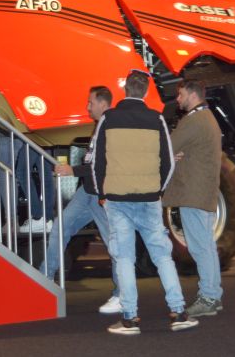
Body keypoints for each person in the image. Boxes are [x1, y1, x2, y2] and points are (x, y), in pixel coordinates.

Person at [92, 69, 198, 335]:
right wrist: (158, 190)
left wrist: (102, 193)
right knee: (162, 257)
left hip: (117, 199)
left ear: (125, 89)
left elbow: (97, 161)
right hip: (150, 199)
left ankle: (130, 318)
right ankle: (179, 312)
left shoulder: (108, 118)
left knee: (124, 258)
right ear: (146, 91)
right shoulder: (156, 119)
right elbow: (168, 161)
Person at [42, 85, 121, 314]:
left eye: (90, 102)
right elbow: (92, 160)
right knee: (60, 227)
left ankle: (122, 294)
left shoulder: (110, 126)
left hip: (101, 195)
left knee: (115, 244)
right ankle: (45, 277)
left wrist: (72, 171)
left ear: (103, 104)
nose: (87, 107)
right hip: (87, 192)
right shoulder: (100, 124)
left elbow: (102, 164)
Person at [162, 79, 224, 317]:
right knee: (206, 246)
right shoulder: (208, 119)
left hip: (193, 194)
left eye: (180, 95)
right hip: (203, 193)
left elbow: (166, 147)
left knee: (200, 248)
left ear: (192, 94)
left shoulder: (193, 121)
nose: (178, 99)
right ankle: (213, 295)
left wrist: (173, 154)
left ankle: (208, 297)